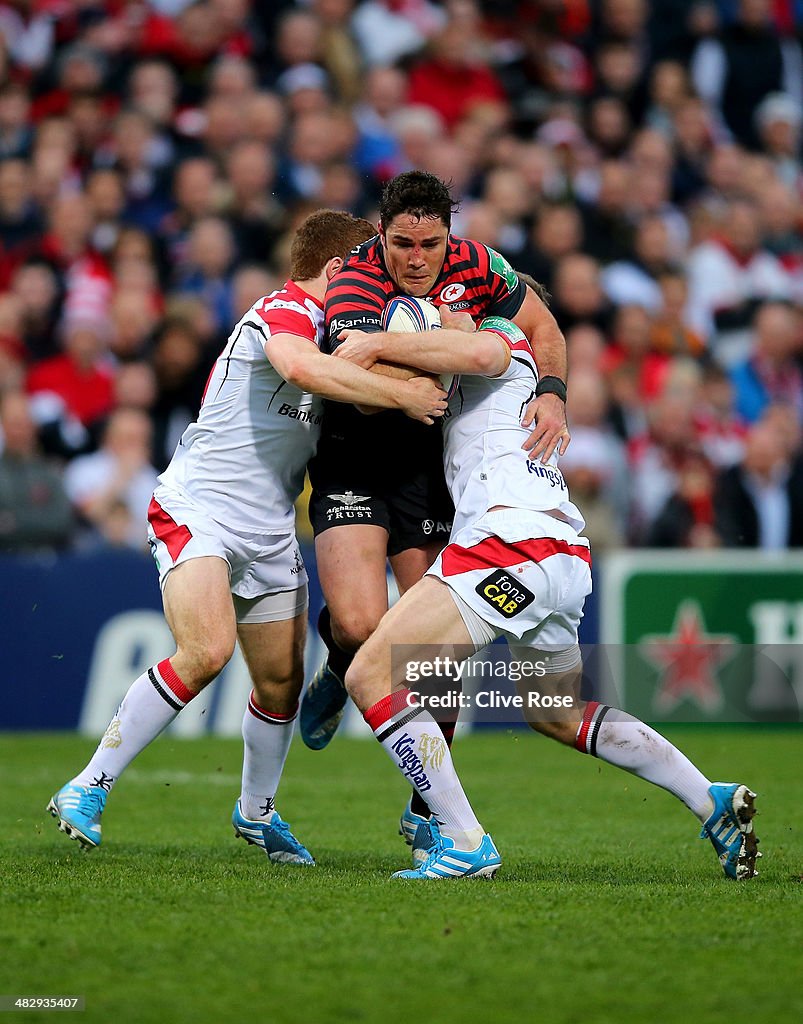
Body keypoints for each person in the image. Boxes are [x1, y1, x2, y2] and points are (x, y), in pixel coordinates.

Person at [47, 210, 447, 863]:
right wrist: (401, 394)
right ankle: (88, 786)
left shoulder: (351, 337)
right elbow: (298, 367)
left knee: (281, 685)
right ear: (339, 270)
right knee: (205, 650)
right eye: (371, 268)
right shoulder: (282, 311)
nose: (380, 282)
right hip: (200, 507)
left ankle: (256, 812)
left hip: (268, 527)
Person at [334, 310, 760, 881]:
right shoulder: (481, 359)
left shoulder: (495, 340)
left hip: (510, 545)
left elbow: (463, 357)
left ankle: (463, 840)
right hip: (561, 554)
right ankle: (710, 800)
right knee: (554, 711)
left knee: (371, 676)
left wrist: (366, 345)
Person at [300, 170, 570, 855]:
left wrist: (553, 390)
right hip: (354, 459)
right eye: (401, 244)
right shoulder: (357, 280)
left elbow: (540, 326)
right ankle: (338, 660)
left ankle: (425, 809)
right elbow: (358, 391)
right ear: (381, 234)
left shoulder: (479, 263)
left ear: (449, 234)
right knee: (363, 625)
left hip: (429, 473)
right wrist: (430, 370)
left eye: (430, 243)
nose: (416, 258)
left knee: (429, 655)